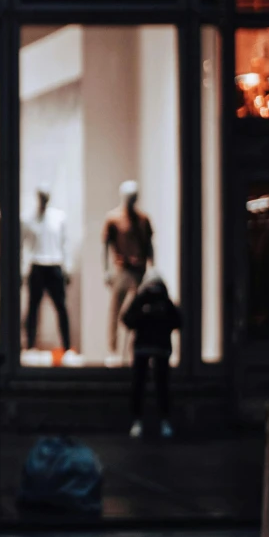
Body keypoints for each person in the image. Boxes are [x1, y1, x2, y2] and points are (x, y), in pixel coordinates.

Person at [122, 271, 181, 438]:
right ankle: (156, 420)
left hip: (150, 346)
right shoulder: (154, 300)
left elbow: (127, 319)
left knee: (147, 385)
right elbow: (178, 321)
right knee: (155, 385)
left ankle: (145, 420)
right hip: (155, 347)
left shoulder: (151, 300)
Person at [102, 181, 155, 361]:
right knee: (115, 310)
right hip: (121, 269)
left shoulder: (143, 220)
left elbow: (149, 245)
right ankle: (113, 350)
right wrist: (106, 270)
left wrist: (151, 269)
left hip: (139, 270)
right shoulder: (114, 218)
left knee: (138, 312)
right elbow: (106, 245)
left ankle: (134, 350)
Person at [22, 188, 71, 352]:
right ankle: (30, 345)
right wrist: (22, 269)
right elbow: (23, 246)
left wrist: (67, 267)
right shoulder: (29, 219)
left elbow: (65, 243)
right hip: (37, 265)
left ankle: (67, 345)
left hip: (54, 265)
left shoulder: (58, 218)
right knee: (33, 309)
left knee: (61, 307)